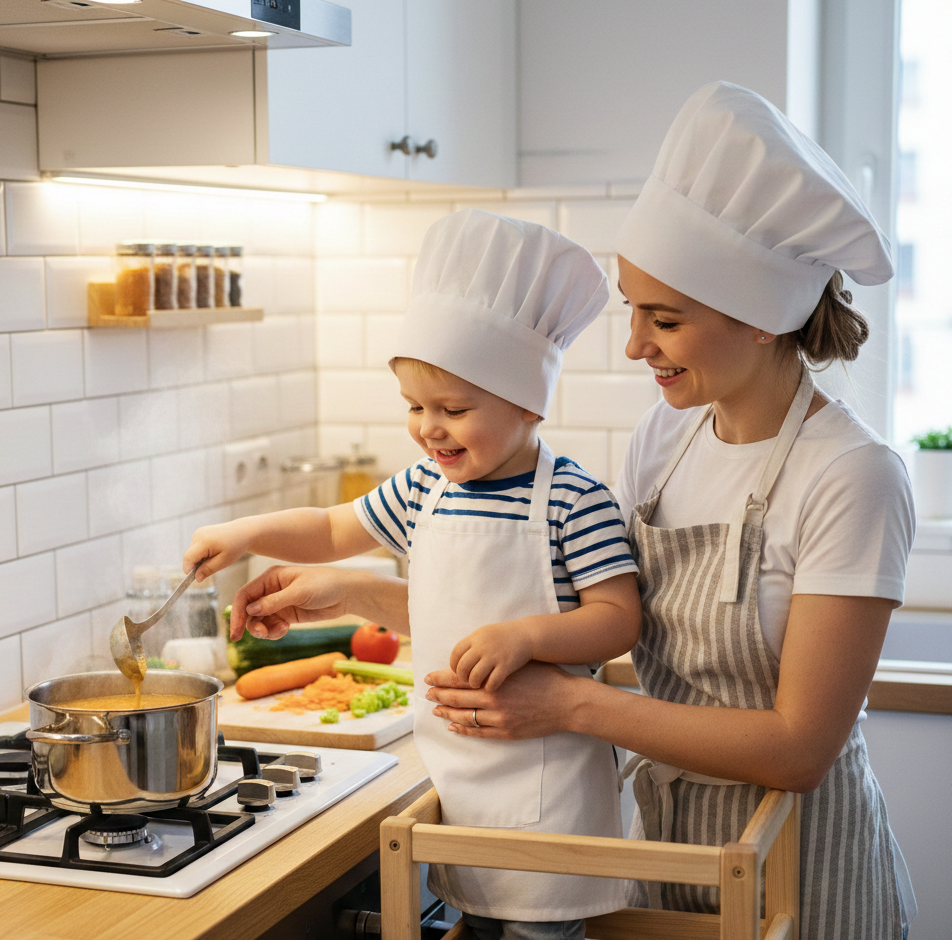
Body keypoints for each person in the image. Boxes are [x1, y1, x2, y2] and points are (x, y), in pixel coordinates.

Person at [227, 85, 917, 940]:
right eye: (632, 309)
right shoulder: (666, 440)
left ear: (762, 322)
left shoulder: (854, 476)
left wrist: (571, 710)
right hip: (659, 853)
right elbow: (547, 614)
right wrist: (356, 595)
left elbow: (799, 749)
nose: (634, 345)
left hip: (795, 870)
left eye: (664, 319)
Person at [185, 209, 642, 940]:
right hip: (461, 772)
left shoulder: (572, 498)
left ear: (528, 403)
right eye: (415, 407)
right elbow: (336, 529)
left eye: (453, 409)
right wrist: (244, 533)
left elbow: (619, 617)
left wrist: (527, 636)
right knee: (477, 923)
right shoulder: (428, 486)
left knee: (540, 933)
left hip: (546, 781)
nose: (429, 428)